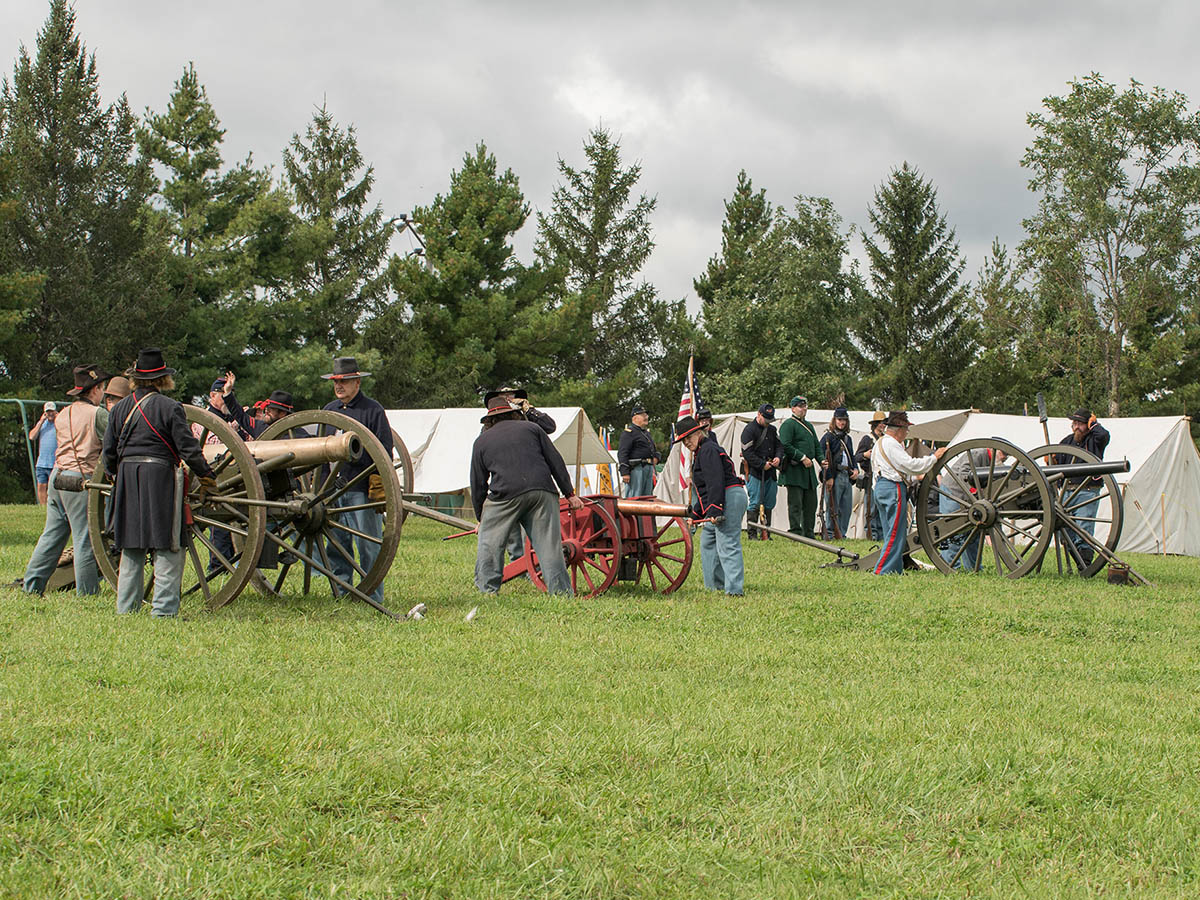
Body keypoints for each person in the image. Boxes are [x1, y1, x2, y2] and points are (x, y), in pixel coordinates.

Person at [102, 349, 217, 616]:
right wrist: (206, 475)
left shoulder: (119, 409)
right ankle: (164, 611)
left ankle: (126, 608)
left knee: (131, 545)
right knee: (168, 543)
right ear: (163, 379)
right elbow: (188, 449)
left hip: (127, 476)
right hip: (160, 478)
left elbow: (109, 451)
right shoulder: (170, 407)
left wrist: (114, 474)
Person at [470, 398, 582, 595]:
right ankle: (562, 593)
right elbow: (555, 461)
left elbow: (478, 483)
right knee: (549, 546)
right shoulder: (532, 429)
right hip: (542, 491)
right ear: (513, 413)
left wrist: (481, 518)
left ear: (489, 421)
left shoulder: (481, 441)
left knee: (490, 543)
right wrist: (569, 494)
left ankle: (487, 591)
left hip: (506, 495)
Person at [21, 365, 111, 595]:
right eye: (101, 389)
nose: (103, 393)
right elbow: (112, 447)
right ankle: (87, 593)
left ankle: (32, 586)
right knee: (85, 539)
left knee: (51, 535)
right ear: (95, 390)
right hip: (81, 481)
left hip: (57, 478)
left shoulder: (63, 414)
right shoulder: (98, 414)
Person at [321, 356, 393, 604]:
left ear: (357, 383)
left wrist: (375, 483)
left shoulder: (373, 410)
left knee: (367, 545)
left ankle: (372, 595)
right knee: (337, 545)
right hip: (332, 491)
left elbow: (384, 450)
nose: (339, 386)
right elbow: (320, 452)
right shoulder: (329, 411)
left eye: (344, 381)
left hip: (360, 489)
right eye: (336, 382)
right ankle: (342, 592)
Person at [482, 386, 556, 563]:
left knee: (532, 533)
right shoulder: (490, 426)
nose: (508, 398)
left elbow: (550, 426)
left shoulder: (528, 417)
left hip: (531, 478)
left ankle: (532, 566)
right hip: (505, 480)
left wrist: (529, 410)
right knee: (513, 534)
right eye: (504, 396)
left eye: (511, 395)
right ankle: (518, 565)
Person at [676, 414, 748, 595]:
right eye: (683, 440)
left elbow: (715, 481)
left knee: (727, 542)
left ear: (699, 432)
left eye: (688, 438)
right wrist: (696, 514)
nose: (686, 442)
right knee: (708, 539)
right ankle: (715, 586)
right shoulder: (702, 451)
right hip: (721, 496)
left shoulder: (708, 449)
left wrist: (715, 510)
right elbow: (704, 490)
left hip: (728, 495)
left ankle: (734, 591)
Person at [872, 410, 947, 574]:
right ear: (898, 430)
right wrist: (934, 457)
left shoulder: (880, 443)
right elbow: (912, 465)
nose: (907, 433)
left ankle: (895, 569)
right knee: (895, 535)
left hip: (881, 487)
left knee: (890, 533)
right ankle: (881, 571)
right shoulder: (891, 444)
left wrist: (914, 479)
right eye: (906, 429)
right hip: (892, 489)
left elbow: (897, 471)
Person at [1054, 408, 1111, 567]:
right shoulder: (1066, 441)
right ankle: (1081, 562)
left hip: (1087, 490)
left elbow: (1104, 435)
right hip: (1066, 492)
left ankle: (1085, 563)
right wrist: (1051, 459)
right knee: (1065, 530)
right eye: (1075, 423)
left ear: (1088, 425)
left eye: (1081, 424)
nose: (1077, 427)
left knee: (1083, 528)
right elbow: (1056, 458)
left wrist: (1094, 424)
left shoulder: (1095, 440)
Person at [937, 443, 1006, 571]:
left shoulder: (993, 462)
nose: (1004, 459)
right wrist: (975, 492)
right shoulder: (978, 454)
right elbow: (964, 473)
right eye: (1004, 455)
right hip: (953, 492)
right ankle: (949, 566)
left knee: (973, 533)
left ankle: (973, 568)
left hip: (971, 500)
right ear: (996, 451)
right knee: (952, 531)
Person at [778, 396, 820, 537]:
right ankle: (796, 532)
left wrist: (822, 460)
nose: (804, 409)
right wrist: (802, 457)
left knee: (811, 504)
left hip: (808, 471)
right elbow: (785, 444)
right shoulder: (788, 425)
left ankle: (809, 533)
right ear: (793, 408)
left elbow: (816, 446)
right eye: (801, 406)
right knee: (795, 504)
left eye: (805, 406)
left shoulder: (809, 426)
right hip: (794, 469)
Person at [740, 403, 782, 537]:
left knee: (769, 502)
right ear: (759, 414)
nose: (768, 422)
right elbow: (747, 452)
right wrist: (761, 464)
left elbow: (779, 446)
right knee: (755, 503)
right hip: (755, 471)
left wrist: (778, 458)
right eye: (766, 419)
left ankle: (766, 532)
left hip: (770, 471)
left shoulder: (772, 430)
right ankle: (752, 534)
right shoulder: (749, 430)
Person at [819, 407, 859, 538]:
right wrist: (829, 477)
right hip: (834, 475)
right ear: (834, 420)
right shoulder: (827, 437)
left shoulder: (848, 439)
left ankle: (841, 534)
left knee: (846, 509)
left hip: (846, 475)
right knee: (832, 508)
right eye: (839, 419)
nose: (842, 422)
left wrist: (856, 469)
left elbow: (852, 457)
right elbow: (822, 459)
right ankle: (830, 534)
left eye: (844, 420)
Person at [855, 411, 887, 540]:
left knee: (880, 507)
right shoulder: (868, 439)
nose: (883, 425)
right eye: (880, 423)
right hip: (870, 477)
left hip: (882, 476)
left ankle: (880, 535)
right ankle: (872, 533)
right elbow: (857, 456)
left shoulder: (884, 439)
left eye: (884, 423)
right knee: (871, 507)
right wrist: (865, 455)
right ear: (875, 424)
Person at [618, 405, 659, 498]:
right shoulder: (629, 433)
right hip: (636, 469)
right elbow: (623, 453)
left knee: (647, 497)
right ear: (635, 418)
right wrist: (625, 472)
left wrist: (657, 457)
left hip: (648, 468)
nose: (646, 417)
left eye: (646, 415)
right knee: (634, 497)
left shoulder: (646, 433)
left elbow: (653, 449)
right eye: (643, 415)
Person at [29, 401, 58, 505]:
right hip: (42, 463)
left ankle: (54, 506)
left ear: (55, 411)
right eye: (48, 412)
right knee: (41, 486)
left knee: (54, 488)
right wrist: (41, 422)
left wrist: (58, 418)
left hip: (55, 463)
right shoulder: (42, 424)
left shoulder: (59, 424)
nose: (50, 414)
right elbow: (32, 436)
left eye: (52, 411)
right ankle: (42, 507)